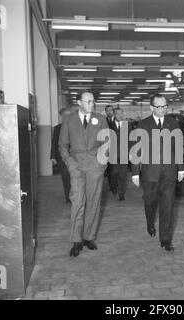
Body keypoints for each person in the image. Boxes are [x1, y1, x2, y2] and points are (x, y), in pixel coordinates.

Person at [131, 94, 184, 252]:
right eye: (159, 107)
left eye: (165, 106)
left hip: (169, 172)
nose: (162, 109)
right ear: (152, 108)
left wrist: (181, 168)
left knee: (167, 205)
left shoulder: (173, 123)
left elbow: (177, 147)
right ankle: (149, 222)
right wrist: (135, 173)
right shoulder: (143, 124)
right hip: (150, 173)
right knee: (150, 202)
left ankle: (166, 240)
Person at [59, 92, 109, 257]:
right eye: (88, 101)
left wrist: (101, 162)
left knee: (93, 202)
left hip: (95, 166)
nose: (92, 104)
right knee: (77, 202)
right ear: (79, 102)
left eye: (93, 102)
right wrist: (70, 163)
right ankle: (76, 240)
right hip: (77, 166)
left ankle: (89, 237)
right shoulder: (69, 120)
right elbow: (63, 145)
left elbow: (107, 142)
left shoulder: (100, 119)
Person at [50, 106, 77, 203]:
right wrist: (52, 156)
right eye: (65, 116)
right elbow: (54, 143)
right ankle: (68, 197)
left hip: (75, 156)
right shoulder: (57, 128)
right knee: (65, 176)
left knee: (75, 176)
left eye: (69, 115)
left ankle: (76, 195)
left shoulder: (77, 127)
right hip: (61, 156)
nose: (67, 117)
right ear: (61, 116)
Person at [109, 108, 130, 201]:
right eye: (118, 114)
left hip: (124, 154)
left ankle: (121, 194)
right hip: (112, 154)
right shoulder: (109, 125)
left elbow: (130, 140)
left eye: (121, 113)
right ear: (114, 114)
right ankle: (114, 187)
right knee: (113, 174)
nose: (120, 115)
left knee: (123, 175)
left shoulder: (127, 125)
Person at [105, 105, 115, 192]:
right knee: (109, 169)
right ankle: (112, 186)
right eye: (107, 110)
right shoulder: (103, 121)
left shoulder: (119, 121)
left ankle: (115, 185)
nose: (109, 112)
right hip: (106, 149)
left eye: (110, 110)